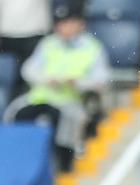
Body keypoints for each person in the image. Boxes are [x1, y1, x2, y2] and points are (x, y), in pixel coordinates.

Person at [15, 3, 109, 171]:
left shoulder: (92, 47)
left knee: (64, 122)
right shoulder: (48, 44)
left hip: (71, 100)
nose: (64, 27)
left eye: (69, 22)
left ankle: (64, 166)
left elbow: (101, 78)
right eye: (61, 23)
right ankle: (23, 164)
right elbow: (28, 69)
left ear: (81, 23)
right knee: (19, 117)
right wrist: (46, 79)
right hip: (42, 98)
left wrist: (78, 83)